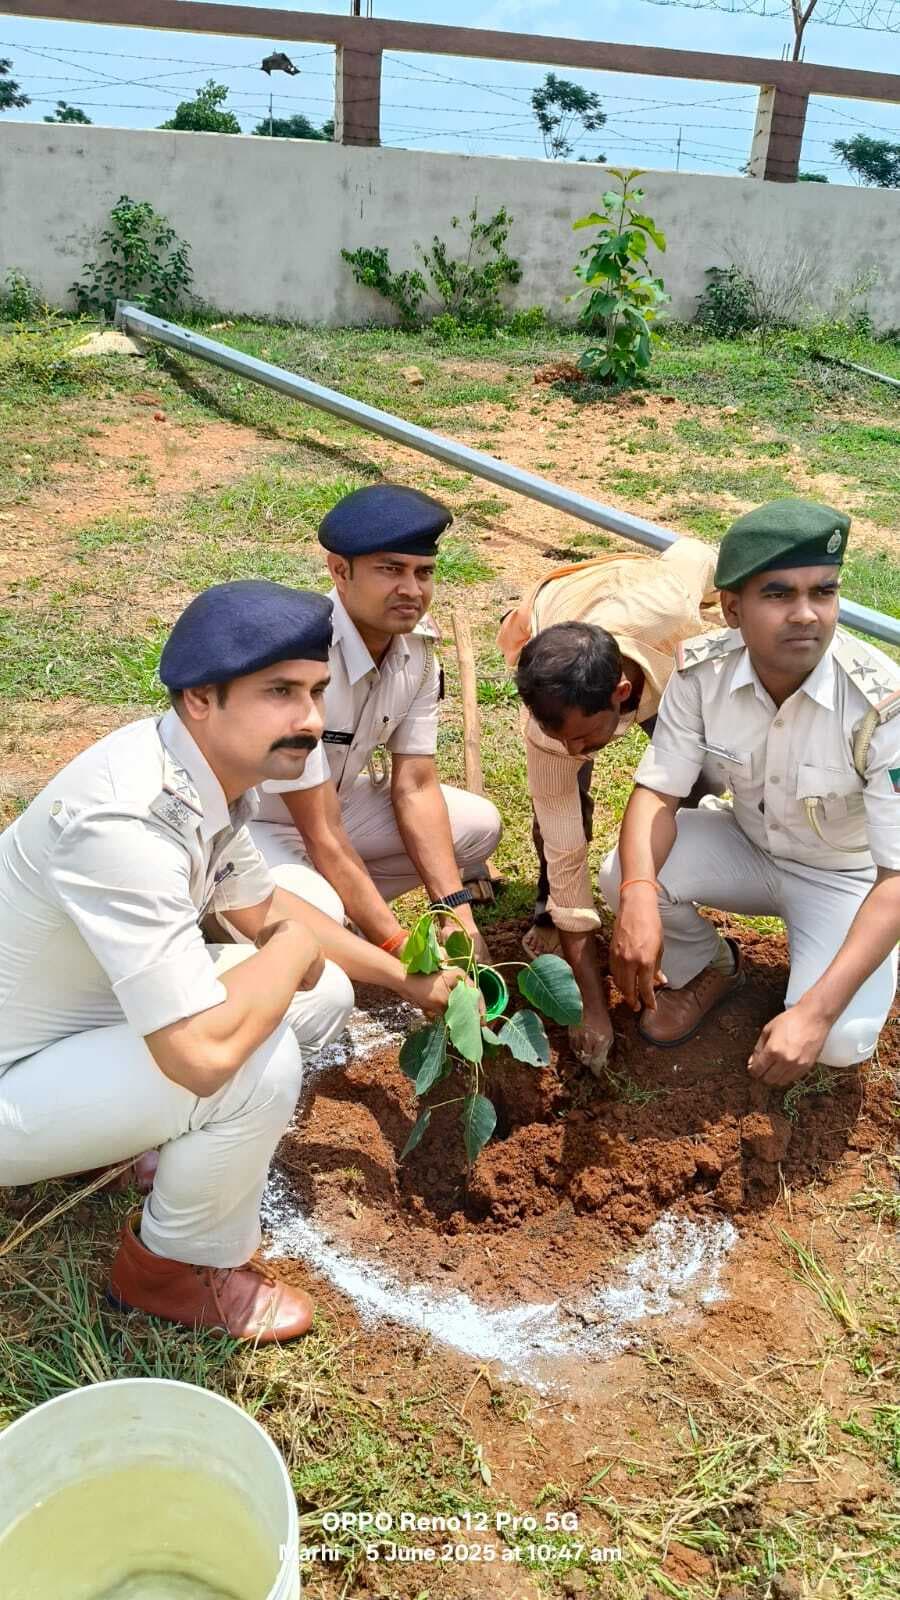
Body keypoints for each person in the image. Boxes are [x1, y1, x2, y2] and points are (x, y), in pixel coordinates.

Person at [0, 581, 465, 1342]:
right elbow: (204, 1052)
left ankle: (136, 1143)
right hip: (11, 1081)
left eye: (316, 691)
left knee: (319, 998)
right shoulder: (129, 820)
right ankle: (169, 1271)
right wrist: (292, 949)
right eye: (279, 692)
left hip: (74, 1027)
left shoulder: (207, 778)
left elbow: (268, 913)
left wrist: (407, 980)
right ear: (200, 700)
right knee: (254, 1059)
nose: (311, 719)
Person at [602, 499, 900, 1087]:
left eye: (824, 592)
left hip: (845, 878)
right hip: (748, 843)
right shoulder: (701, 673)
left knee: (840, 1041)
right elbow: (656, 795)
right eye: (779, 594)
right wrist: (637, 896)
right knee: (622, 874)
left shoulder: (882, 706)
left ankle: (855, 968)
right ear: (733, 608)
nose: (807, 615)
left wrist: (812, 1016)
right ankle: (714, 968)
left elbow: (897, 878)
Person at [250, 483, 502, 961]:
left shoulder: (418, 651)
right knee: (310, 910)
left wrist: (456, 916)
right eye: (391, 570)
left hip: (336, 808)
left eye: (423, 572)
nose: (411, 590)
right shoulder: (303, 655)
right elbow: (320, 832)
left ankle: (341, 919)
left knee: (477, 826)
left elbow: (416, 786)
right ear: (340, 570)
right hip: (256, 823)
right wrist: (399, 948)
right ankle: (288, 914)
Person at [498, 537, 719, 1071]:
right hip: (565, 607)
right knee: (560, 808)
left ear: (622, 694)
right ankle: (542, 909)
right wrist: (589, 1008)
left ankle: (666, 896)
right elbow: (566, 850)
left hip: (650, 633)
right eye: (560, 738)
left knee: (702, 778)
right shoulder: (552, 730)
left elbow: (696, 553)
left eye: (584, 737)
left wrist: (732, 598)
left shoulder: (671, 611)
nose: (571, 750)